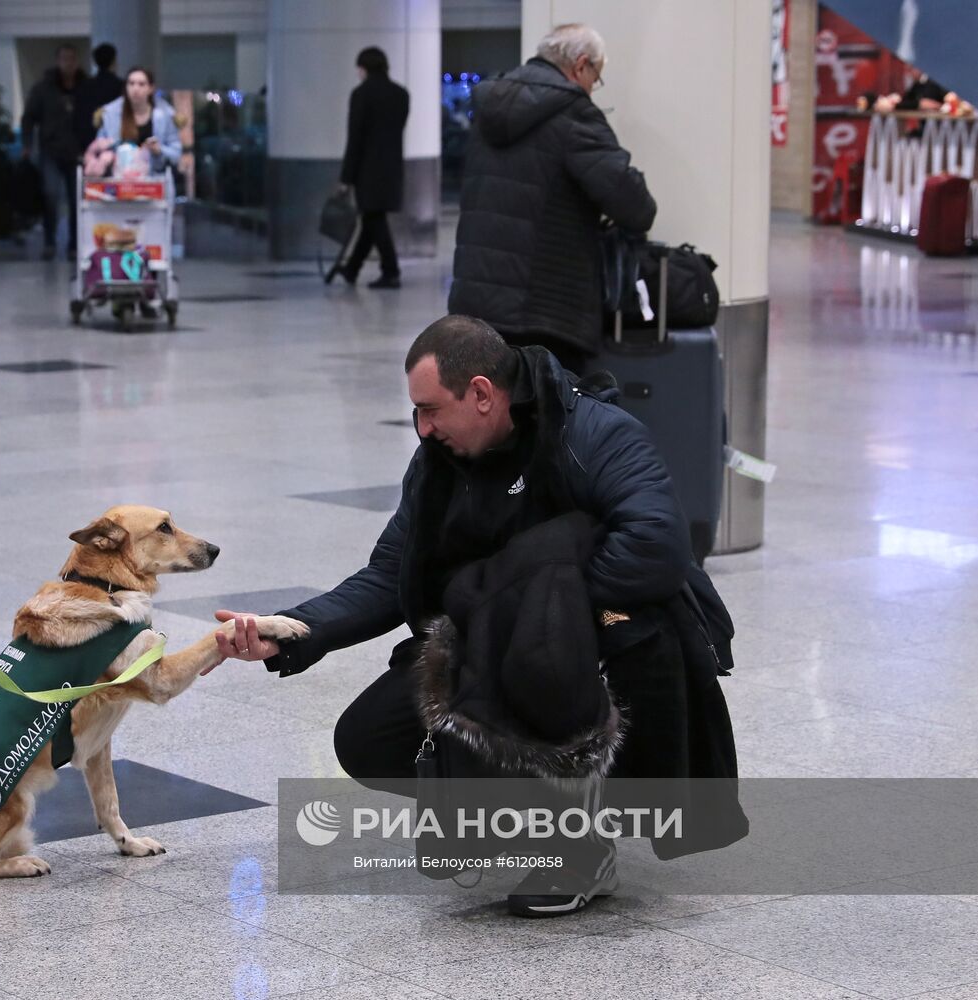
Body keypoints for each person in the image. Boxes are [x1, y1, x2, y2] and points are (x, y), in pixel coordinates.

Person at [213, 316, 742, 916]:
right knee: (367, 740)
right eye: (415, 412)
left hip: (605, 644)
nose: (422, 427)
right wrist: (291, 631)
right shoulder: (438, 463)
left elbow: (656, 546)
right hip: (486, 640)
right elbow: (390, 574)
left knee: (548, 666)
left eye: (432, 409)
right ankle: (529, 820)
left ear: (484, 394)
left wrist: (537, 609)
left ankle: (575, 843)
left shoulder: (593, 434)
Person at [447, 24, 656, 374]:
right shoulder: (574, 113)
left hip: (477, 304)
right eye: (596, 77)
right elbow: (634, 206)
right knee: (551, 420)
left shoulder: (488, 107)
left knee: (492, 415)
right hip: (546, 308)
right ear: (581, 65)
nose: (593, 87)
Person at [326, 46, 409, 290]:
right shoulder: (401, 94)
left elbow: (356, 138)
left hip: (367, 171)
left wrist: (346, 178)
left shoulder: (361, 95)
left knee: (374, 219)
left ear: (364, 68)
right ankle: (352, 268)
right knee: (372, 219)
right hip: (392, 168)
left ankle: (391, 270)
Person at [21, 42, 87, 260]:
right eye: (64, 59)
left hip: (77, 152)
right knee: (50, 195)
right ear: (58, 61)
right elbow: (29, 117)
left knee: (76, 199)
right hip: (50, 151)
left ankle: (74, 244)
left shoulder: (84, 87)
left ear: (76, 62)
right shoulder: (44, 88)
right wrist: (28, 144)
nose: (68, 63)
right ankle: (50, 240)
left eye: (72, 59)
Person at [94, 66, 182, 174]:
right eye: (131, 83)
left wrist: (159, 150)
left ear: (151, 88)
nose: (135, 88)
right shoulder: (109, 115)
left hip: (154, 182)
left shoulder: (165, 115)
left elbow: (176, 152)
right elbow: (97, 149)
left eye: (141, 84)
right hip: (120, 181)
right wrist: (108, 155)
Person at [80, 43, 125, 151]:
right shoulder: (120, 86)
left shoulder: (85, 86)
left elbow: (79, 118)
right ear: (114, 61)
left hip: (88, 141)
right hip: (114, 140)